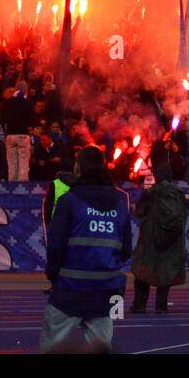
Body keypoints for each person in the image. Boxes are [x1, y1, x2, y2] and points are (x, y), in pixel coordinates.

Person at [41, 146, 132, 352]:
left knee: (51, 346)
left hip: (69, 289)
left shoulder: (69, 201)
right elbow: (126, 249)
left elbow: (56, 245)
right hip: (105, 289)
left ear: (78, 168)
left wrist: (53, 275)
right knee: (102, 347)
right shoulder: (119, 204)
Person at [129, 178, 187, 313]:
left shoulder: (151, 193)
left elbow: (139, 211)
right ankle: (161, 305)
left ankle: (140, 305)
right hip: (172, 241)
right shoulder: (179, 195)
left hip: (151, 237)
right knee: (165, 273)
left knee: (143, 272)